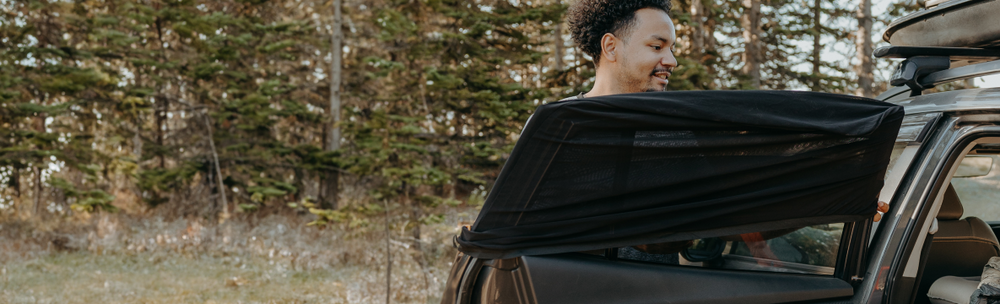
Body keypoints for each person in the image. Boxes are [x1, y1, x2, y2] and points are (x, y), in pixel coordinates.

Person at [565, 0, 677, 99]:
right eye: (657, 47)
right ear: (611, 48)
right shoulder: (559, 119)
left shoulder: (675, 120)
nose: (672, 62)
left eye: (671, 50)